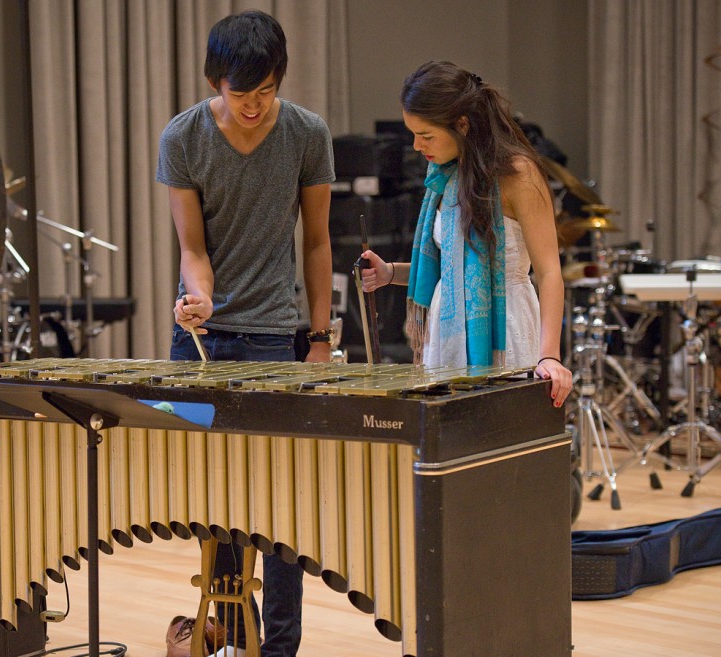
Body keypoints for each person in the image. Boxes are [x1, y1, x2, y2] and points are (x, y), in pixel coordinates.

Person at [155, 9, 335, 657]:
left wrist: (320, 337)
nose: (254, 106)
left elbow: (317, 242)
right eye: (241, 94)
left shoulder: (307, 133)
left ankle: (279, 648)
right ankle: (237, 639)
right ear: (216, 83)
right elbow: (193, 249)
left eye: (266, 92)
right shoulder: (183, 138)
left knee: (283, 513)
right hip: (202, 344)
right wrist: (199, 298)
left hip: (274, 339)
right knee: (218, 507)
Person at [360, 60, 572, 406]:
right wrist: (389, 273)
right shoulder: (444, 176)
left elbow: (549, 273)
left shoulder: (519, 173)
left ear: (462, 124)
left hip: (506, 328)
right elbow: (452, 270)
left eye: (426, 135)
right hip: (445, 334)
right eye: (413, 134)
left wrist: (550, 356)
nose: (417, 146)